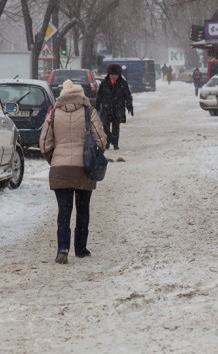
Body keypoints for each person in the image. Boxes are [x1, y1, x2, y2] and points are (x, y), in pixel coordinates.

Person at [39, 79, 107, 265]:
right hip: (84, 169)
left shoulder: (54, 114)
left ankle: (62, 249)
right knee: (82, 210)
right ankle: (81, 249)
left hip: (60, 169)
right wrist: (92, 153)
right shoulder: (89, 112)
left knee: (64, 211)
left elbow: (44, 144)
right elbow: (100, 140)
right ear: (81, 94)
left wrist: (55, 160)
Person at [95, 63, 133, 150]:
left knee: (116, 126)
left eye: (115, 75)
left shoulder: (123, 83)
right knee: (105, 125)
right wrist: (97, 106)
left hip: (118, 108)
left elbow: (127, 95)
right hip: (106, 108)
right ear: (109, 74)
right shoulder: (104, 83)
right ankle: (108, 141)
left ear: (118, 75)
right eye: (112, 75)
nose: (113, 77)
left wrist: (129, 105)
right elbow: (99, 95)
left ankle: (115, 144)